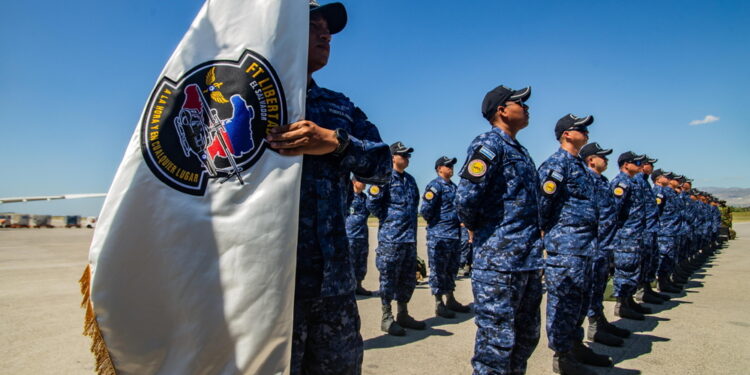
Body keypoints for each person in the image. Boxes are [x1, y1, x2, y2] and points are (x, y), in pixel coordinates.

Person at [266, 2, 391, 373]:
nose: (326, 34)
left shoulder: (337, 107)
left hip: (331, 285)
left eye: (329, 28)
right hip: (267, 285)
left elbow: (383, 166)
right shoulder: (242, 101)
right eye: (313, 25)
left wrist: (336, 143)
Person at [456, 84, 543, 375]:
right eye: (520, 102)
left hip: (527, 260)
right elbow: (467, 198)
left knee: (526, 337)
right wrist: (483, 232)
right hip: (499, 262)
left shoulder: (518, 149)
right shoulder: (488, 144)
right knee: (496, 345)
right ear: (501, 110)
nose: (527, 107)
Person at [538, 115, 612, 374]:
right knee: (563, 302)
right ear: (566, 134)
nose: (587, 132)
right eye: (581, 128)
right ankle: (563, 357)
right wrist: (554, 236)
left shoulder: (579, 166)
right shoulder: (556, 165)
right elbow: (543, 206)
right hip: (566, 247)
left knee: (580, 300)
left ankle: (575, 345)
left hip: (586, 246)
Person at [367, 141, 425, 336]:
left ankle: (403, 313)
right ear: (393, 157)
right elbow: (373, 204)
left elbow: (415, 205)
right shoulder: (383, 177)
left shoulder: (410, 180)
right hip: (391, 239)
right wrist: (389, 220)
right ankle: (386, 317)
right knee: (388, 279)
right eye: (403, 155)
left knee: (408, 279)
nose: (407, 158)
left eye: (408, 155)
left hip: (409, 239)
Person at [579, 142, 631, 346]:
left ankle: (600, 321)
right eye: (602, 156)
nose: (606, 160)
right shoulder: (586, 179)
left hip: (606, 243)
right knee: (591, 288)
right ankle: (593, 327)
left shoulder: (602, 181)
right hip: (594, 244)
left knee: (599, 285)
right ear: (591, 160)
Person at [420, 156, 471, 319]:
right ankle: (438, 303)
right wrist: (437, 224)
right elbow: (426, 210)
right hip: (439, 235)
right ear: (439, 168)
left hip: (454, 235)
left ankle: (450, 299)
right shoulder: (435, 186)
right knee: (438, 270)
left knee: (451, 268)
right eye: (447, 166)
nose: (451, 168)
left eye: (451, 166)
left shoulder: (454, 187)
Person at [609, 152, 650, 321]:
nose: (640, 165)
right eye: (636, 162)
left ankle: (628, 300)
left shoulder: (633, 182)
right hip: (625, 236)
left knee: (632, 269)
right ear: (626, 164)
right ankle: (621, 304)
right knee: (624, 270)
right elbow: (614, 211)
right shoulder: (621, 183)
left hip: (634, 234)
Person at [633, 156, 669, 304]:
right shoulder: (637, 181)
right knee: (641, 264)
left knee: (650, 262)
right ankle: (640, 293)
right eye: (648, 164)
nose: (651, 166)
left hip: (650, 228)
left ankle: (647, 289)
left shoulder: (644, 182)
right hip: (643, 230)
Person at [651, 170, 683, 294]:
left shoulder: (670, 193)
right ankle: (661, 283)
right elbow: (656, 211)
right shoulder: (659, 192)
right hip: (664, 231)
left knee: (669, 257)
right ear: (658, 179)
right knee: (663, 257)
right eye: (667, 177)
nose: (673, 180)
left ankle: (665, 281)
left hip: (671, 230)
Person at [346, 176, 373, 296]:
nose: (364, 184)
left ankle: (358, 285)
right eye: (362, 181)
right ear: (354, 182)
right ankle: (348, 288)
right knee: (349, 262)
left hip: (362, 234)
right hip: (350, 235)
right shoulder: (348, 196)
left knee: (361, 262)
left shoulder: (364, 197)